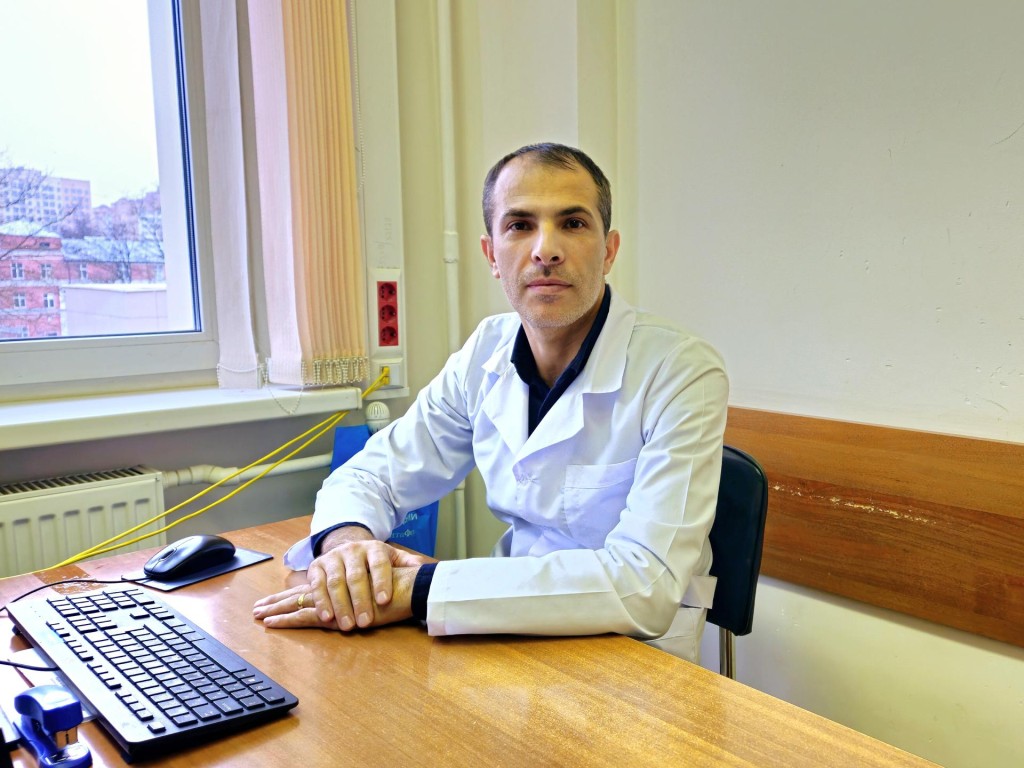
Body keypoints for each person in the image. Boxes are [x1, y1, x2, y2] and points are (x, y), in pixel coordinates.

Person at [252, 142, 728, 661]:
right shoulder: (486, 351)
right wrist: (348, 550)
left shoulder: (681, 370)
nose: (546, 249)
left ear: (609, 250)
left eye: (572, 223)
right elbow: (372, 474)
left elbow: (644, 584)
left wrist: (419, 590)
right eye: (520, 225)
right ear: (491, 255)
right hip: (506, 631)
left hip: (637, 655)